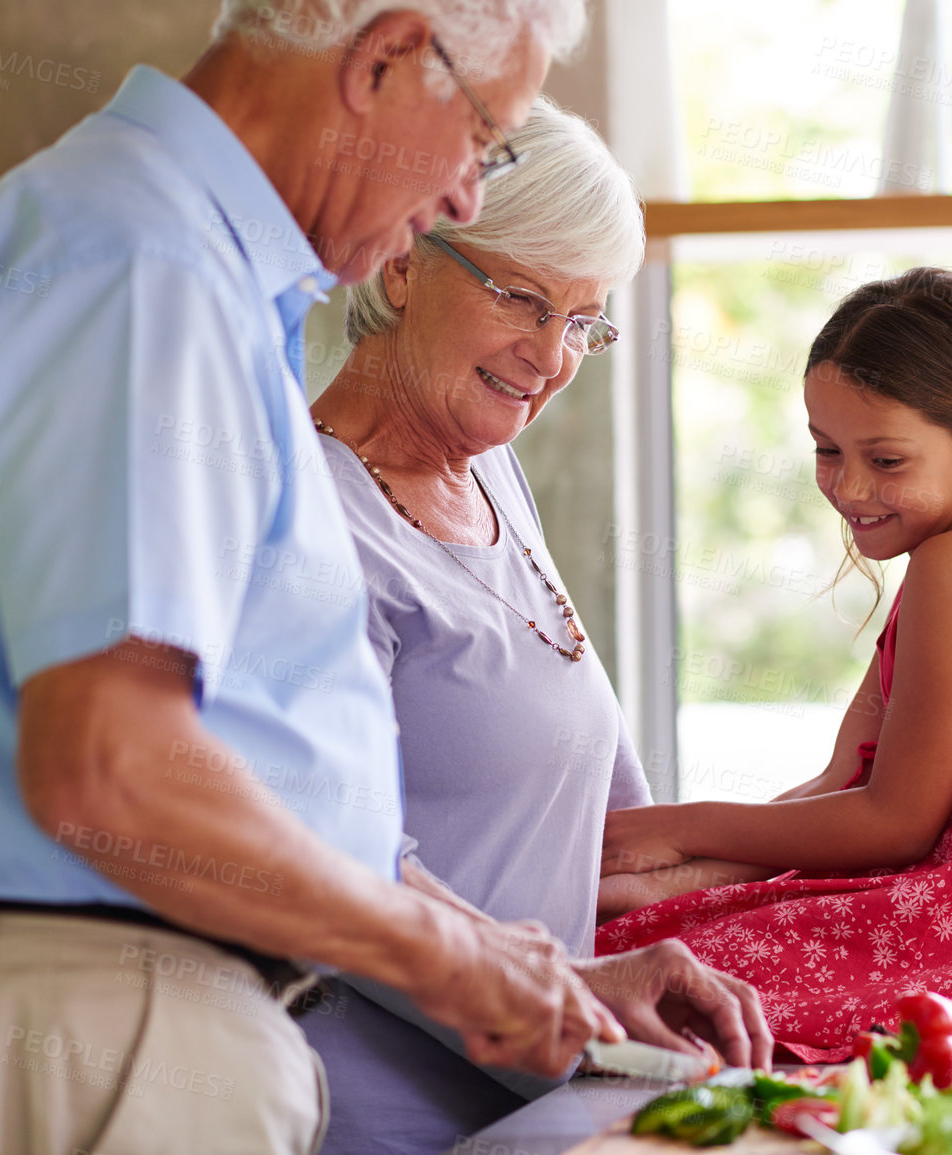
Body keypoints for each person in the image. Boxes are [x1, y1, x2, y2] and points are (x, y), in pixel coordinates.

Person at [0, 3, 634, 1151]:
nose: (468, 192)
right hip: (85, 1028)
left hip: (120, 1021)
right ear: (384, 59)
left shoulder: (190, 268)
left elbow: (253, 771)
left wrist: (523, 967)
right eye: (482, 134)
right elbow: (111, 769)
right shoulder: (141, 258)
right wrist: (446, 958)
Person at [302, 97, 772, 1153]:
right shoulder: (313, 518)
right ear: (405, 264)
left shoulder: (493, 475)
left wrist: (860, 863)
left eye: (583, 322)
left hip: (550, 1108)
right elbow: (329, 868)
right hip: (380, 1123)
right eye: (522, 297)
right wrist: (574, 995)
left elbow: (601, 844)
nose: (549, 356)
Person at [597, 268, 952, 1060]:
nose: (849, 486)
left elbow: (894, 824)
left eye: (887, 460)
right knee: (641, 931)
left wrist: (671, 827)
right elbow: (843, 783)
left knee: (636, 983)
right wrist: (682, 878)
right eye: (826, 450)